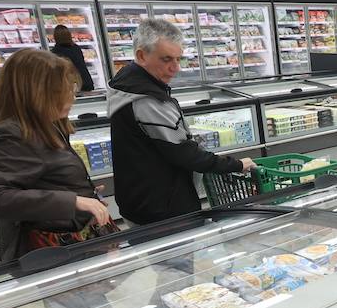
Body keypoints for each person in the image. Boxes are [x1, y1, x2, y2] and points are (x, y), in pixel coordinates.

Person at [107, 18, 253, 226]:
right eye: (166, 59)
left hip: (139, 202)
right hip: (162, 211)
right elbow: (185, 154)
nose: (175, 68)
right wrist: (236, 164)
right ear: (141, 55)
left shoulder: (126, 83)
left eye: (178, 59)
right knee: (175, 259)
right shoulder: (147, 99)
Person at [0, 49, 112, 262]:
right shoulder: (11, 134)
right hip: (48, 249)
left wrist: (81, 191)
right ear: (35, 93)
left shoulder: (46, 123)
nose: (71, 96)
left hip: (71, 242)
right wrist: (74, 201)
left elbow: (42, 176)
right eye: (62, 90)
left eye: (71, 88)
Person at [49, 24, 93, 93]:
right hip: (86, 82)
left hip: (70, 87)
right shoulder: (76, 48)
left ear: (55, 37)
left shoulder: (55, 52)